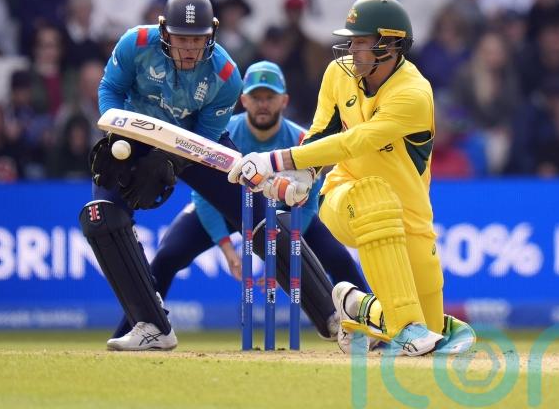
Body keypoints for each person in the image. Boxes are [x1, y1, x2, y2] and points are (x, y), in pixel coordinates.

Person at [83, 0, 355, 351]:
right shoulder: (136, 43)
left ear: (211, 34)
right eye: (182, 39)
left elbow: (204, 139)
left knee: (263, 219)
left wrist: (167, 160)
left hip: (197, 142)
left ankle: (329, 315)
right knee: (102, 217)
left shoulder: (226, 75)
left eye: (198, 40)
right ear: (165, 30)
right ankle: (151, 326)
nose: (190, 49)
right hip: (135, 136)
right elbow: (110, 91)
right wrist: (119, 135)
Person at [228, 0, 476, 356]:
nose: (351, 49)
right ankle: (405, 328)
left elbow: (355, 141)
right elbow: (323, 131)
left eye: (360, 42)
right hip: (345, 196)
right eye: (352, 41)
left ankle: (356, 306)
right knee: (373, 197)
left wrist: (276, 161)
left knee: (433, 327)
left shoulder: (413, 93)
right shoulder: (337, 74)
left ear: (389, 44)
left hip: (410, 214)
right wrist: (305, 173)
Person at [110, 61, 368, 341]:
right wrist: (228, 250)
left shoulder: (302, 139)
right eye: (256, 98)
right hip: (221, 207)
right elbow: (204, 193)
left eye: (269, 98)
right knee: (167, 257)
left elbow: (306, 205)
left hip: (279, 212)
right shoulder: (226, 130)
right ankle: (139, 328)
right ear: (243, 100)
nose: (263, 105)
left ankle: (371, 322)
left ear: (284, 100)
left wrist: (283, 249)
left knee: (338, 257)